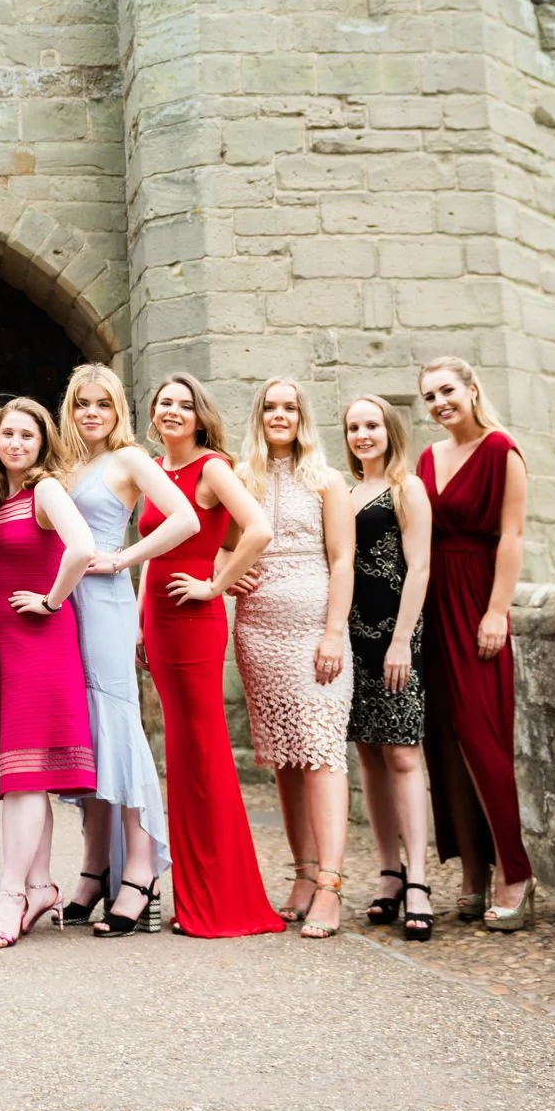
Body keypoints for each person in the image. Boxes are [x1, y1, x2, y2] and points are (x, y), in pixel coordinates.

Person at [54, 363, 197, 939]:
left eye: (103, 404)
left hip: (108, 603)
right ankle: (96, 868)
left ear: (118, 411)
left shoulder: (130, 459)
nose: (92, 413)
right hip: (68, 606)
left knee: (118, 729)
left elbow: (185, 519)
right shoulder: (67, 466)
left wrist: (124, 558)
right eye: (83, 403)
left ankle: (141, 872)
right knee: (88, 736)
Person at [140, 372, 284, 938]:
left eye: (183, 405)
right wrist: (138, 625)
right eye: (163, 403)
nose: (172, 411)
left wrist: (216, 584)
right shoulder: (160, 471)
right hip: (157, 621)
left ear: (199, 417)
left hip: (193, 622)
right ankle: (194, 893)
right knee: (182, 752)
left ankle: (224, 901)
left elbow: (259, 529)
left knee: (203, 751)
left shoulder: (210, 467)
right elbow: (164, 549)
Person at [232, 378, 357, 940]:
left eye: (290, 407)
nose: (279, 415)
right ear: (258, 416)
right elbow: (213, 540)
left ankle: (331, 885)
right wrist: (227, 573)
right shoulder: (241, 478)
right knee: (283, 755)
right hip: (257, 630)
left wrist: (334, 632)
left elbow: (342, 560)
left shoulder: (329, 482)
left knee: (323, 750)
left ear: (303, 417)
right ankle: (304, 874)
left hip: (313, 632)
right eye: (270, 407)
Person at [415, 356, 535, 932]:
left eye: (447, 391)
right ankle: (472, 871)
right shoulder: (427, 458)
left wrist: (496, 612)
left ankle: (516, 871)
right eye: (430, 396)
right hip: (431, 606)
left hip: (475, 601)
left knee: (480, 737)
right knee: (443, 743)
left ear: (471, 389)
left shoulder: (501, 450)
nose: (440, 403)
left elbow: (511, 536)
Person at [0, 398, 97, 949]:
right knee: (22, 774)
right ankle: (41, 883)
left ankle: (11, 894)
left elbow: (83, 547)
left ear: (43, 442)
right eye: (8, 434)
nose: (16, 444)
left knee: (26, 775)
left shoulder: (43, 492)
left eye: (27, 435)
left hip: (40, 641)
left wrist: (52, 600)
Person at [342, 395, 436, 942]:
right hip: (350, 635)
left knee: (402, 752)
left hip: (397, 634)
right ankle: (388, 872)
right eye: (354, 426)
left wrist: (402, 640)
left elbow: (420, 565)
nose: (363, 434)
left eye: (372, 424)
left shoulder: (408, 488)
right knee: (369, 754)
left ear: (389, 429)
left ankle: (420, 879)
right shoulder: (342, 490)